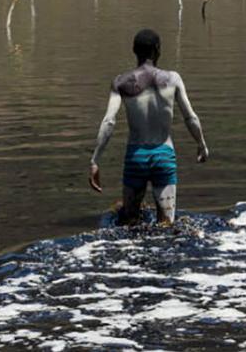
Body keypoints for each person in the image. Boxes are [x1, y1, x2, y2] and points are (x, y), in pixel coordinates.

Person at [89, 29, 208, 225]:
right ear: (157, 50)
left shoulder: (121, 82)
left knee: (129, 224)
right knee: (167, 226)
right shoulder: (173, 79)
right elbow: (190, 117)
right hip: (164, 155)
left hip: (136, 156)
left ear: (134, 50)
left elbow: (109, 121)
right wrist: (201, 144)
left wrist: (95, 160)